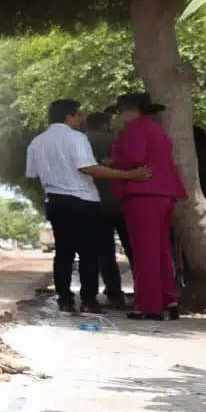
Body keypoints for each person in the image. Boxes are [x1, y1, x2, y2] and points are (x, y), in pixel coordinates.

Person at [27, 100, 152, 314]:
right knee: (88, 253)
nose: (82, 119)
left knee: (64, 253)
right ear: (69, 116)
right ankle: (88, 301)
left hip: (56, 202)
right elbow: (88, 168)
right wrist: (129, 175)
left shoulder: (36, 143)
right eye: (79, 115)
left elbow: (32, 175)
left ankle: (65, 300)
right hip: (83, 201)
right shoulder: (76, 138)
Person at [108, 92, 188, 321]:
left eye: (120, 111)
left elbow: (134, 157)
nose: (119, 116)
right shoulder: (156, 130)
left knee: (144, 251)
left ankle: (148, 305)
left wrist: (113, 158)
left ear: (132, 110)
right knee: (161, 249)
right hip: (164, 193)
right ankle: (168, 299)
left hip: (143, 193)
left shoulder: (134, 129)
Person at [85, 111, 132, 308]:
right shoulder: (120, 138)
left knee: (105, 252)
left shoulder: (83, 142)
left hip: (97, 204)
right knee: (133, 249)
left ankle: (114, 294)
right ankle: (147, 291)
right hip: (124, 202)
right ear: (105, 125)